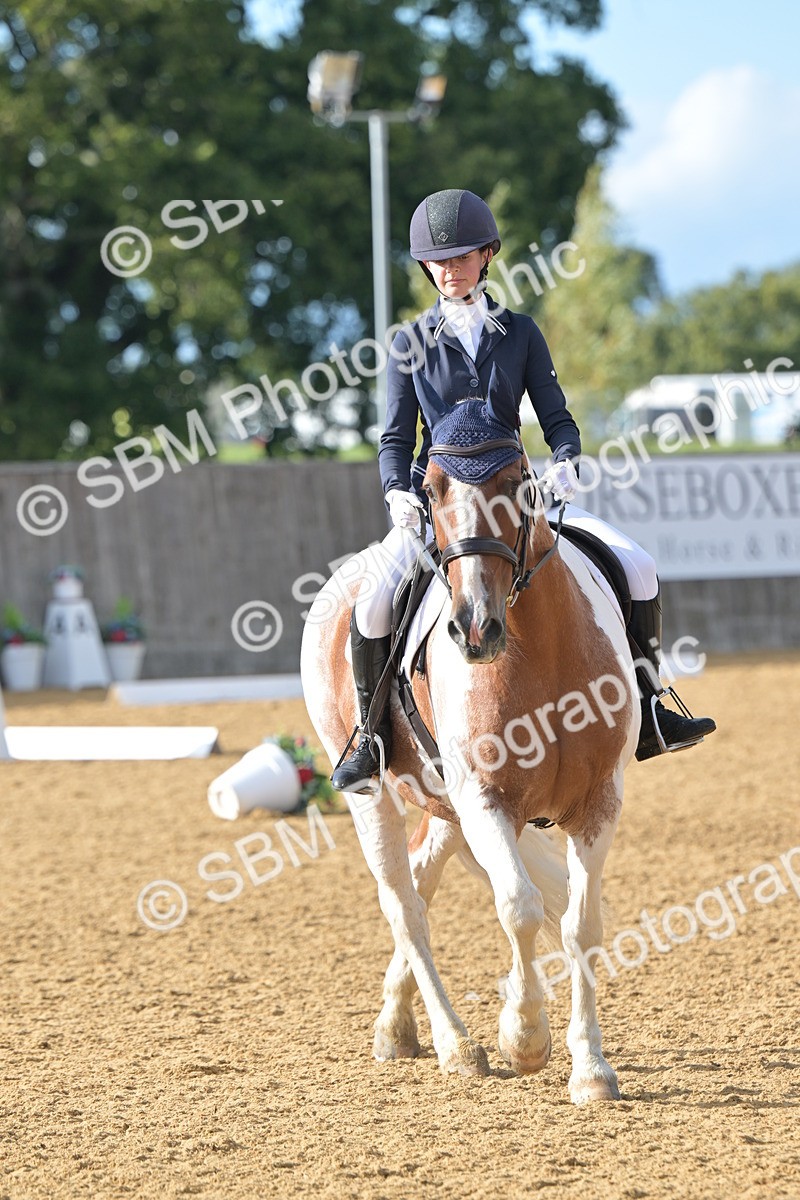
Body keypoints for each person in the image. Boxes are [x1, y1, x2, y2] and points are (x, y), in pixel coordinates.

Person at [331, 188, 716, 792]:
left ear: (487, 255)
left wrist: (566, 458)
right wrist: (395, 492)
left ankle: (650, 705)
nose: (449, 270)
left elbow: (558, 418)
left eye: (461, 257)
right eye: (438, 261)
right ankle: (372, 738)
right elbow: (394, 439)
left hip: (517, 495)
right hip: (440, 504)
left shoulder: (521, 333)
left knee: (638, 565)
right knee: (375, 600)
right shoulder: (409, 342)